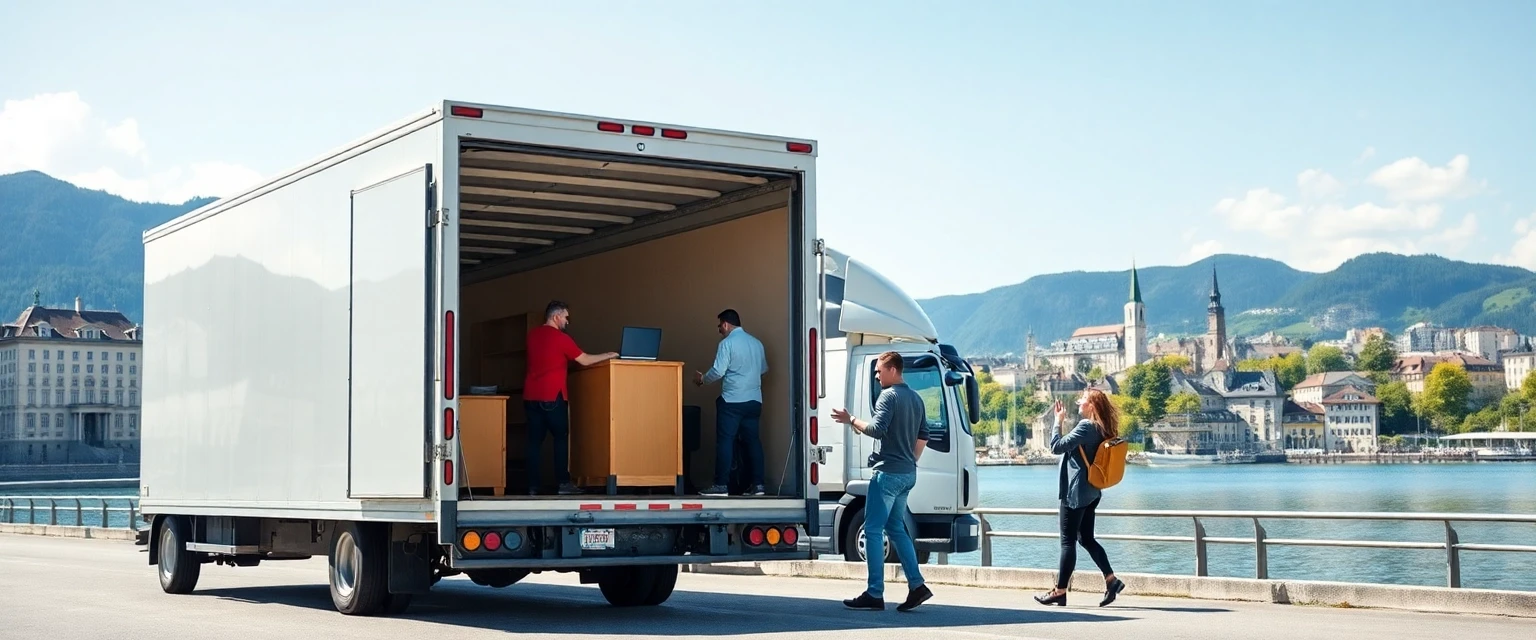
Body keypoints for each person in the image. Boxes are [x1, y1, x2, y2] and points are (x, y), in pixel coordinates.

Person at [830, 351, 933, 613]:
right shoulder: (916, 399)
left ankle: (875, 592)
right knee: (896, 528)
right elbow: (924, 435)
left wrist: (850, 419)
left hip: (886, 474)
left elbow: (876, 429)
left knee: (872, 529)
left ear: (893, 370)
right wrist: (910, 460)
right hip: (907, 473)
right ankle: (917, 585)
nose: (876, 376)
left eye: (879, 371)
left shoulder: (888, 396)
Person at [1034, 388, 1126, 608]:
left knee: (1068, 541)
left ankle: (1060, 591)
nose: (1078, 404)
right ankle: (1111, 580)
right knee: (1086, 538)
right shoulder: (1104, 428)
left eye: (1082, 401)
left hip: (1075, 493)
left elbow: (1056, 447)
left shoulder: (1086, 426)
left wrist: (1058, 421)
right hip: (1092, 491)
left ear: (1091, 406)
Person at [523, 301, 617, 496]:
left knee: (533, 442)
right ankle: (563, 484)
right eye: (566, 317)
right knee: (560, 438)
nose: (567, 321)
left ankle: (532, 486)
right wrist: (609, 354)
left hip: (531, 395)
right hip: (552, 395)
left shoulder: (532, 335)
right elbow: (584, 360)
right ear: (556, 317)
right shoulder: (560, 338)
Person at [695, 309, 769, 497]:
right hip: (754, 401)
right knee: (753, 442)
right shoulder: (757, 343)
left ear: (726, 324)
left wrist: (702, 379)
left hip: (732, 401)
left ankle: (721, 485)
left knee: (725, 442)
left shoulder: (726, 344)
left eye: (720, 325)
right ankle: (758, 485)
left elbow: (718, 371)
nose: (719, 329)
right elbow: (763, 369)